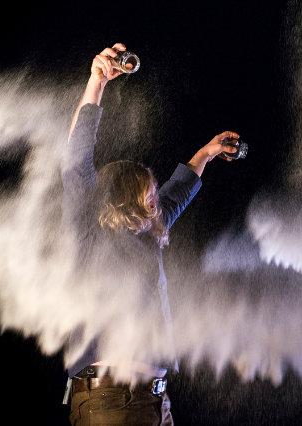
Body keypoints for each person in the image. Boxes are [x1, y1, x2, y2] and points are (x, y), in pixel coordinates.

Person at [60, 42, 240, 425]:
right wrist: (97, 84)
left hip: (154, 402)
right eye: (149, 195)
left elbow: (177, 193)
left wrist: (205, 154)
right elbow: (76, 162)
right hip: (111, 400)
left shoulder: (148, 235)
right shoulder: (90, 231)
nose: (157, 202)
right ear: (126, 197)